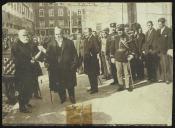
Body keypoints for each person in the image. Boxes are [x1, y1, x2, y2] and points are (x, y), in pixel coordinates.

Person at [43, 27, 78, 104]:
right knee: (59, 84)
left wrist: (74, 65)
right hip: (56, 69)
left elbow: (75, 54)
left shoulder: (69, 42)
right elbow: (47, 55)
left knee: (70, 84)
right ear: (54, 34)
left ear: (62, 33)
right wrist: (46, 62)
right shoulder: (51, 44)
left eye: (59, 34)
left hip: (68, 67)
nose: (58, 36)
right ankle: (63, 97)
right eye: (56, 34)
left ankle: (72, 97)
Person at [11, 29, 37, 113]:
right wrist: (29, 61)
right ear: (19, 37)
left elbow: (31, 54)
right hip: (21, 72)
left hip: (30, 70)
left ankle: (26, 102)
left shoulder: (28, 44)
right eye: (24, 36)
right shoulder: (15, 46)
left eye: (27, 35)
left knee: (30, 87)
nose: (26, 37)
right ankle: (22, 107)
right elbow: (16, 60)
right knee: (23, 89)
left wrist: (33, 58)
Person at [111, 25, 134, 91]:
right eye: (118, 31)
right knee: (119, 72)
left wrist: (131, 55)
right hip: (117, 57)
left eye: (121, 31)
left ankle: (127, 86)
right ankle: (121, 85)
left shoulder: (128, 37)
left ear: (123, 31)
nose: (119, 32)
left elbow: (132, 47)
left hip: (125, 57)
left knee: (126, 72)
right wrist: (112, 57)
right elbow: (112, 48)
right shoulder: (115, 38)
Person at [156, 18, 173, 84]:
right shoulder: (158, 31)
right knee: (161, 65)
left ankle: (167, 79)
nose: (159, 25)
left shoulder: (168, 30)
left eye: (160, 24)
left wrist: (169, 49)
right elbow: (156, 40)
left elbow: (170, 41)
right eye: (158, 24)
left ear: (163, 23)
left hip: (165, 50)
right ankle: (162, 78)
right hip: (159, 51)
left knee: (166, 64)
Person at [83, 28, 100, 94]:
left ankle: (95, 89)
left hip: (92, 60)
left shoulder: (94, 38)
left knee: (93, 74)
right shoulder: (87, 39)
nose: (85, 34)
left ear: (90, 32)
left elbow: (97, 49)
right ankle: (92, 87)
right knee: (90, 74)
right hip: (88, 60)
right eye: (85, 32)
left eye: (86, 32)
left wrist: (92, 53)